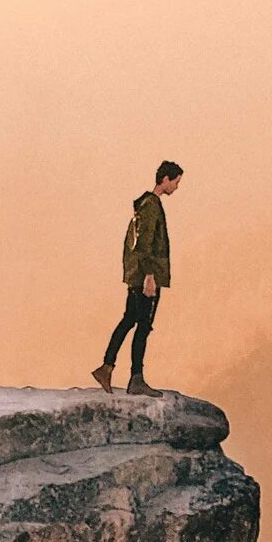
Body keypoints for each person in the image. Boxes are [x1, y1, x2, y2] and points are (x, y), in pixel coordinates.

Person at [95, 161, 182, 393]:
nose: (176, 187)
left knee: (129, 319)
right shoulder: (151, 206)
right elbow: (145, 244)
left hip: (137, 275)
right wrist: (150, 276)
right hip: (145, 276)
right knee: (143, 325)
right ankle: (136, 378)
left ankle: (107, 366)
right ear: (165, 179)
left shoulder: (144, 205)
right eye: (175, 182)